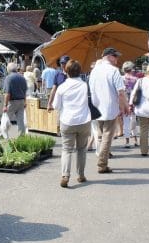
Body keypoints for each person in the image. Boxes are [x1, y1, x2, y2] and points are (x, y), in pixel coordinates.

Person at [89, 48, 130, 173]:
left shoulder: (94, 71)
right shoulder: (113, 71)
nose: (117, 59)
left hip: (96, 107)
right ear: (109, 56)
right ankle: (102, 163)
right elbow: (121, 92)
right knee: (107, 136)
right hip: (110, 107)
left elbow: (90, 89)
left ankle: (103, 156)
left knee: (101, 136)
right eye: (115, 56)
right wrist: (125, 106)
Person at [52, 60, 90, 188]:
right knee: (81, 149)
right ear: (80, 71)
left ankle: (65, 175)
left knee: (67, 150)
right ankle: (81, 175)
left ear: (66, 71)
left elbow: (56, 106)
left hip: (67, 121)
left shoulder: (62, 87)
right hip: (84, 120)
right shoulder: (85, 85)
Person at [3, 62, 28, 136]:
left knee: (6, 119)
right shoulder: (22, 77)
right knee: (21, 121)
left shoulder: (8, 78)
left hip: (12, 102)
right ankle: (22, 137)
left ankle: (4, 136)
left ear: (8, 69)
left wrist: (5, 105)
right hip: (21, 101)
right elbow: (25, 91)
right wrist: (25, 102)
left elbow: (7, 93)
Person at [122, 61, 138, 148]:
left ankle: (127, 141)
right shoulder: (136, 79)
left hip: (124, 102)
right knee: (133, 121)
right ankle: (135, 140)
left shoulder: (121, 78)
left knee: (126, 122)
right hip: (134, 102)